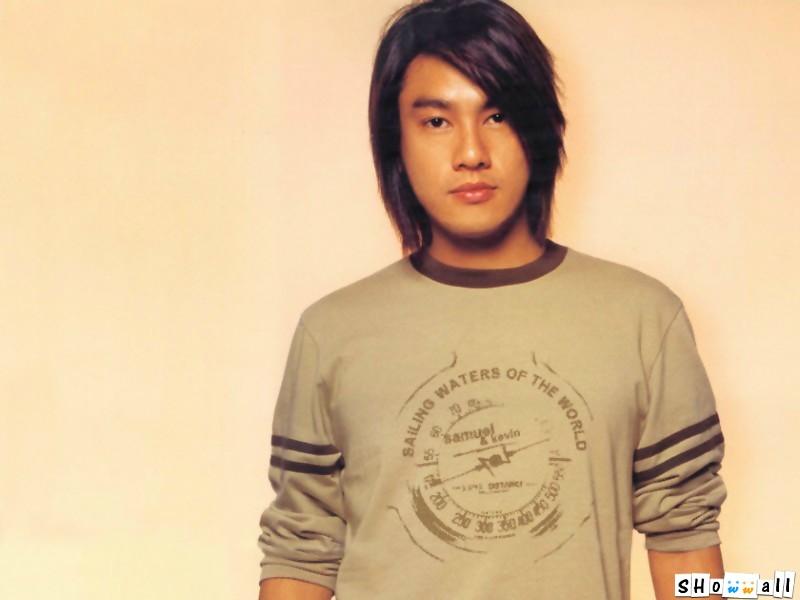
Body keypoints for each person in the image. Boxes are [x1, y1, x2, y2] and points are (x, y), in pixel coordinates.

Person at [257, 1, 727, 598]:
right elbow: (301, 547)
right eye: (437, 121)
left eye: (498, 115)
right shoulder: (332, 332)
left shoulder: (643, 319)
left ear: (538, 127)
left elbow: (686, 534)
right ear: (395, 141)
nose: (471, 153)